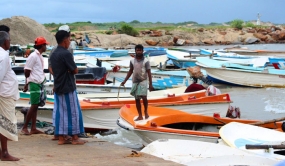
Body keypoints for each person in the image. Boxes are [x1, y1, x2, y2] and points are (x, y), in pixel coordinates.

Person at [50, 30, 85, 145]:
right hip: (68, 85)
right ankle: (75, 137)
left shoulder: (54, 53)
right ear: (65, 41)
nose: (70, 42)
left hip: (58, 84)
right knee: (73, 112)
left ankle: (61, 137)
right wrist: (70, 70)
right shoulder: (66, 53)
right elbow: (75, 70)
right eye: (69, 39)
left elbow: (53, 69)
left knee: (61, 113)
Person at [21, 36, 48, 135]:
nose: (46, 47)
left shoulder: (39, 56)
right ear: (42, 46)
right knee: (34, 105)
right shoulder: (33, 56)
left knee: (36, 106)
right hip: (34, 82)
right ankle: (25, 127)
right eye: (45, 45)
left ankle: (33, 127)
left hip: (39, 82)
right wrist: (27, 83)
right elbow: (27, 70)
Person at [0, 31, 20, 161]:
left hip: (5, 93)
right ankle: (5, 153)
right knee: (5, 124)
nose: (10, 43)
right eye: (10, 40)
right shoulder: (3, 55)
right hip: (4, 94)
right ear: (5, 41)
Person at [120, 44, 154, 121]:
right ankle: (140, 115)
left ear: (142, 51)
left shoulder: (146, 61)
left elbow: (149, 73)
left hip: (143, 81)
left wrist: (151, 84)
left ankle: (146, 112)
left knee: (144, 97)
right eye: (137, 50)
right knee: (137, 99)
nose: (138, 51)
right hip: (135, 81)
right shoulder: (132, 61)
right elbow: (130, 71)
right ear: (135, 51)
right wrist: (124, 81)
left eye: (140, 50)